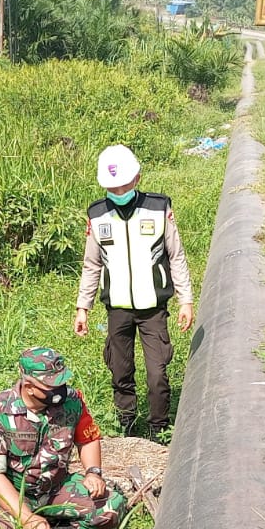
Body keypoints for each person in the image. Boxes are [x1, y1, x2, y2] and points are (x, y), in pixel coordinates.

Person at [73, 144, 195, 438]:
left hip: (153, 308)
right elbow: (92, 264)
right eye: (111, 187)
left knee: (157, 375)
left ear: (137, 178)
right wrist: (82, 307)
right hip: (117, 310)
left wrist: (185, 300)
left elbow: (175, 255)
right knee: (120, 371)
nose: (118, 191)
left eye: (123, 185)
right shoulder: (97, 214)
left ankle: (158, 430)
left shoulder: (158, 208)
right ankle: (126, 426)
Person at [0, 346, 128, 529]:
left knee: (111, 508)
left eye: (62, 382)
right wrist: (26, 517)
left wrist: (93, 472)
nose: (60, 390)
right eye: (51, 386)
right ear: (28, 386)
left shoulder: (72, 401)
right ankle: (33, 526)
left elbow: (88, 439)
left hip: (54, 487)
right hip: (13, 491)